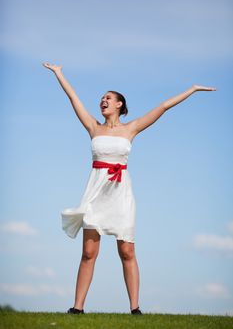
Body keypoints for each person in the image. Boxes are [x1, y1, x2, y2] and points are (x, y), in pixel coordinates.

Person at [42, 62, 216, 315]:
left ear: (119, 105)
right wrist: (59, 73)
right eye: (101, 98)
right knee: (89, 252)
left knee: (127, 250)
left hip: (121, 195)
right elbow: (72, 97)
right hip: (96, 193)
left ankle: (135, 308)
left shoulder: (131, 128)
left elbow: (163, 107)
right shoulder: (93, 127)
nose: (103, 101)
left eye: (108, 98)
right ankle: (77, 308)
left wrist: (192, 89)